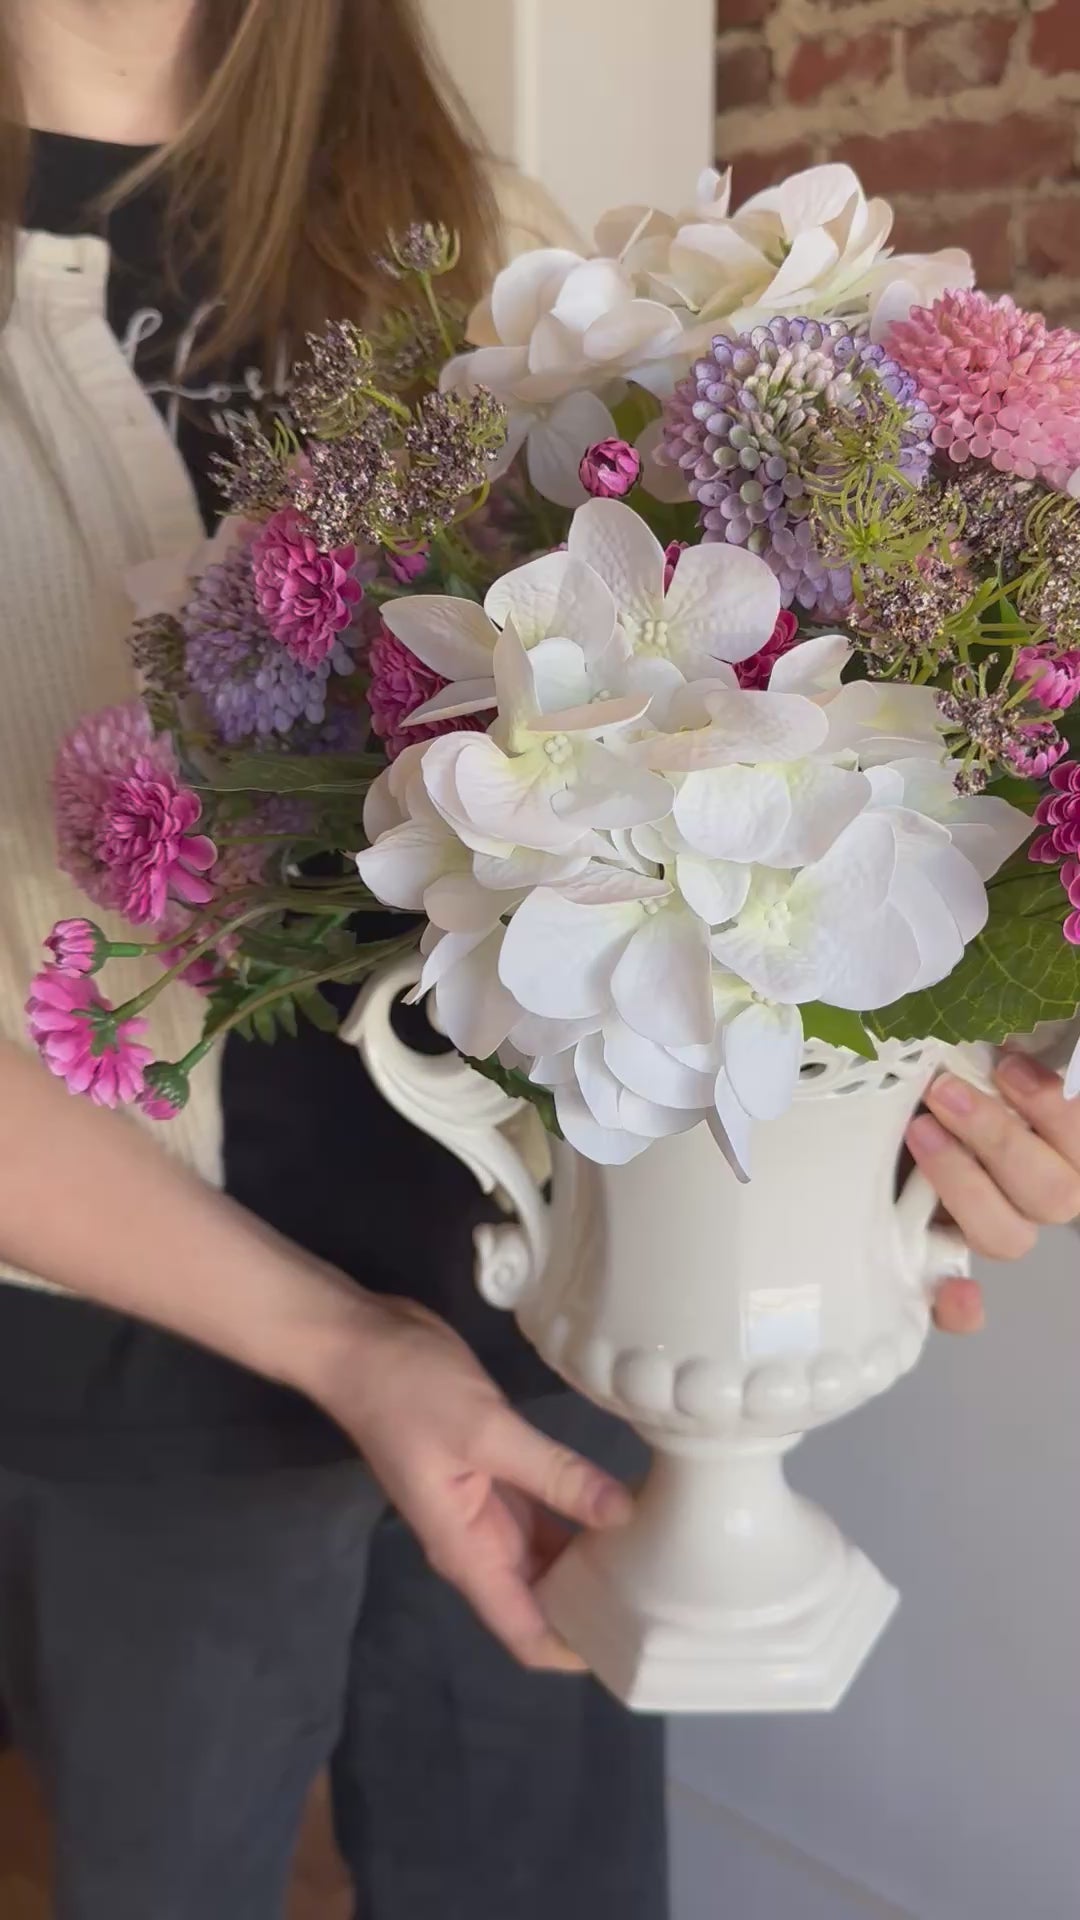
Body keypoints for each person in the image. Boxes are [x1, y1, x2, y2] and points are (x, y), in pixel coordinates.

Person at [0, 3, 1078, 1917]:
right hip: (139, 1339)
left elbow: (708, 742)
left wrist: (903, 1093)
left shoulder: (479, 232)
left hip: (552, 1282)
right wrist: (339, 1346)